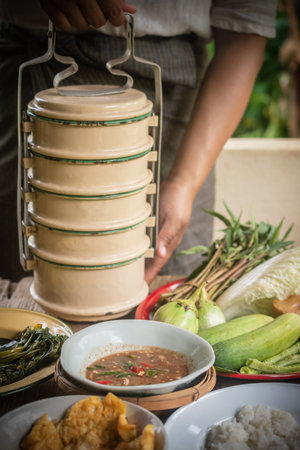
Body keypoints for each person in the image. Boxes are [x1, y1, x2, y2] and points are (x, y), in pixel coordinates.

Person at [0, 0, 277, 283]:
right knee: (26, 286)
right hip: (29, 72)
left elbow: (246, 28)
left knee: (167, 277)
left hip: (171, 97)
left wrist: (183, 183)